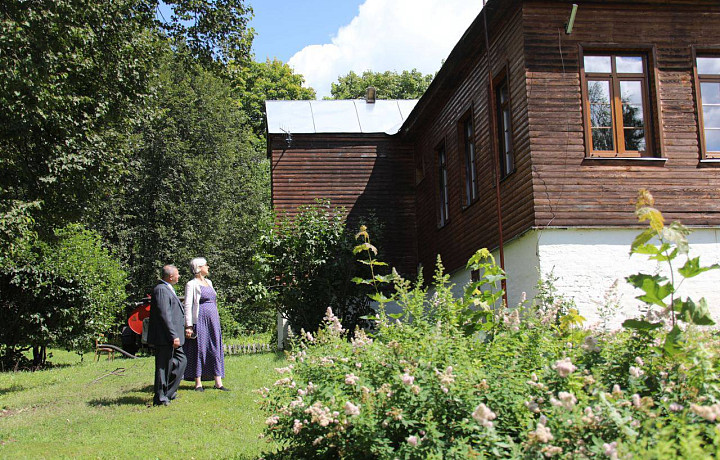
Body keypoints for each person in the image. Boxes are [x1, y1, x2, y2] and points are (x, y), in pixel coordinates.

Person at [183, 257, 229, 391]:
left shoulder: (209, 282)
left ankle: (218, 382)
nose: (208, 267)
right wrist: (189, 326)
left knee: (215, 347)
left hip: (213, 319)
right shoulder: (191, 284)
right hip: (200, 319)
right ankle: (198, 383)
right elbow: (187, 305)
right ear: (199, 268)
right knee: (200, 348)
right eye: (205, 265)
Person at [147, 264, 187, 406]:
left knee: (181, 362)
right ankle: (160, 397)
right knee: (163, 367)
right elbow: (165, 315)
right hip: (166, 337)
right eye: (177, 274)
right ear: (170, 276)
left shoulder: (167, 288)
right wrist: (173, 335)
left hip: (172, 336)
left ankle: (169, 392)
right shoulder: (161, 290)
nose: (179, 276)